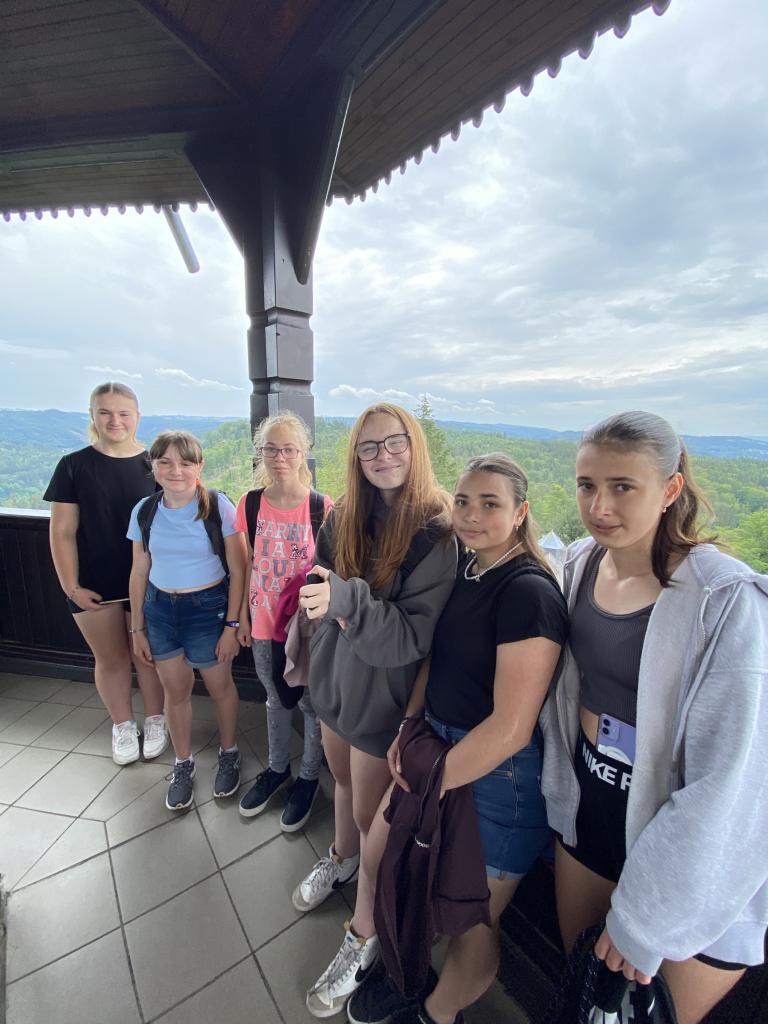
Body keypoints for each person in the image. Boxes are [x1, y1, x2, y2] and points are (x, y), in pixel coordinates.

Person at [540, 411, 768, 1024]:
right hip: (592, 803)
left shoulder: (725, 601)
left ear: (670, 489)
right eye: (587, 485)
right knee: (584, 991)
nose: (599, 506)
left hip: (681, 839)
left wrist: (645, 918)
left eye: (623, 487)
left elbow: (731, 779)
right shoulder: (581, 565)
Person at [346, 453, 568, 1024]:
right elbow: (436, 658)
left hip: (497, 778)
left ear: (521, 513)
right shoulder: (469, 570)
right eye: (463, 501)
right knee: (382, 854)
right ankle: (405, 968)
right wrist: (410, 726)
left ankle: (438, 1012)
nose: (470, 515)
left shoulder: (527, 592)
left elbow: (511, 728)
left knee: (472, 921)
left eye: (490, 504)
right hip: (437, 745)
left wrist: (430, 782)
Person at [294, 402, 458, 1019]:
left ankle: (362, 934)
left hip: (381, 700)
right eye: (369, 447)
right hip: (335, 685)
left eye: (394, 443)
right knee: (340, 783)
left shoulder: (437, 534)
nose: (382, 456)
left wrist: (345, 600)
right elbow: (324, 587)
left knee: (373, 826)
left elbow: (410, 638)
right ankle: (337, 860)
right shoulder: (346, 515)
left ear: (415, 446)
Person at [44, 381, 168, 765]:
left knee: (147, 657)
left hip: (149, 581)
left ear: (137, 417)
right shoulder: (73, 466)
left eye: (123, 413)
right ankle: (122, 726)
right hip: (94, 583)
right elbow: (62, 533)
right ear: (93, 416)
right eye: (105, 412)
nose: (115, 420)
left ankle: (156, 720)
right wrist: (71, 587)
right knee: (111, 659)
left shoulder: (155, 464)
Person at [127, 431, 247, 810]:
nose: (175, 470)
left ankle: (229, 752)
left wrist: (232, 626)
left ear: (200, 466)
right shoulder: (145, 510)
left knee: (219, 686)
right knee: (174, 691)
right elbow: (139, 571)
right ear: (153, 467)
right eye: (164, 462)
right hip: (160, 610)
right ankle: (183, 762)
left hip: (208, 609)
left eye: (185, 462)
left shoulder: (218, 506)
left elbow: (240, 570)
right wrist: (137, 628)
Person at [235, 412, 333, 831]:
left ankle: (308, 778)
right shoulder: (250, 503)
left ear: (304, 453)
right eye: (271, 449)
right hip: (262, 623)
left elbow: (330, 570)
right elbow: (245, 565)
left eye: (289, 449)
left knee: (310, 703)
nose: (279, 458)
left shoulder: (321, 507)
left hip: (305, 628)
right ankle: (278, 769)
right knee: (274, 696)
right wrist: (239, 617)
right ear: (261, 453)